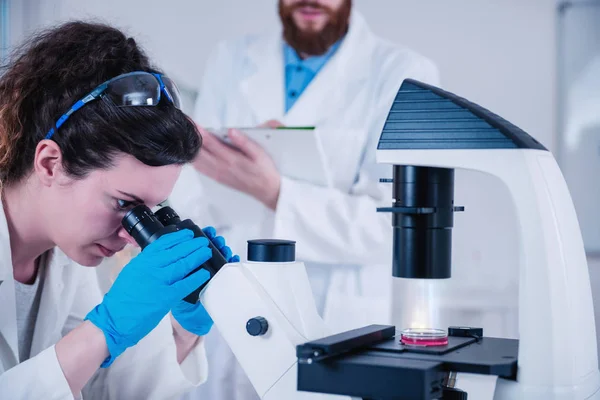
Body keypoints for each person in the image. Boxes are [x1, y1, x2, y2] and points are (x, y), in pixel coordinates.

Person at [170, 0, 440, 399]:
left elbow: (396, 225)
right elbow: (195, 182)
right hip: (232, 301)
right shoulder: (231, 59)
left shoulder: (405, 74)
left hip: (334, 317)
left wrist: (276, 191)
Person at [0, 21, 237, 399]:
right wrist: (105, 327)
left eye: (152, 211)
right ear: (49, 164)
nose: (132, 233)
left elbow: (99, 390)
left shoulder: (65, 257)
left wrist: (184, 324)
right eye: (125, 205)